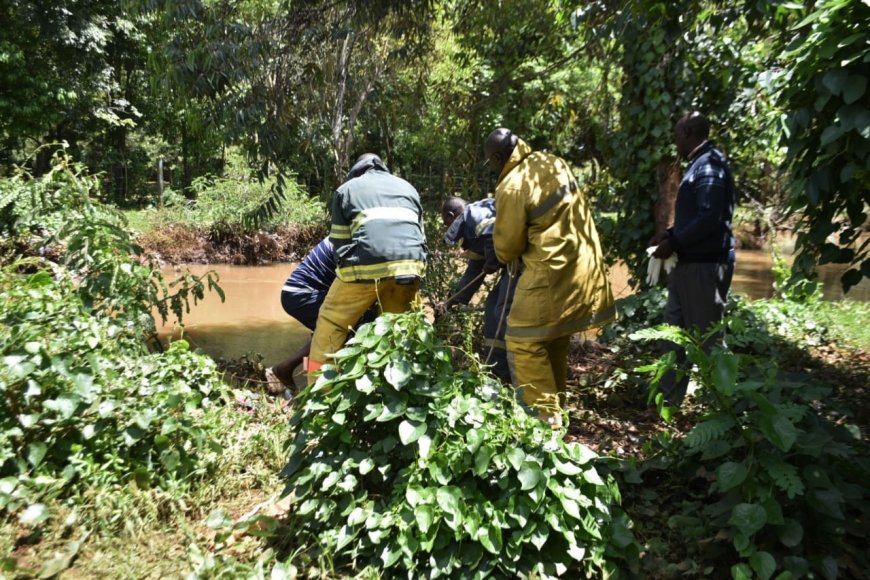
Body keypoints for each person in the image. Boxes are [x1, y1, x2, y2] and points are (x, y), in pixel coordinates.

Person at [484, 128, 615, 426]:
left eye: (491, 163)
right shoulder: (553, 162)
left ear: (499, 157)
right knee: (552, 339)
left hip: (550, 273)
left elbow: (507, 248)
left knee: (522, 340)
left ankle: (543, 424)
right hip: (583, 268)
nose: (492, 169)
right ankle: (559, 414)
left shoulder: (512, 185)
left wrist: (498, 250)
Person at [306, 153, 427, 383]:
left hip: (365, 268)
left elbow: (340, 244)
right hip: (410, 268)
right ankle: (404, 389)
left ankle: (317, 397)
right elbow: (419, 239)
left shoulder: (346, 190)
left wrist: (357, 280)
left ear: (356, 172)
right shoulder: (409, 188)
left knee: (332, 322)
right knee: (399, 330)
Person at [648, 112, 736, 406]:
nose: (675, 142)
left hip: (705, 266)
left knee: (708, 341)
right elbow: (699, 215)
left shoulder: (710, 165)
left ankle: (727, 411)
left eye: (676, 136)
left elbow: (710, 216)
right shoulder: (700, 164)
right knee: (673, 334)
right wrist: (668, 235)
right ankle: (666, 403)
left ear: (686, 133)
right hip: (688, 264)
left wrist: (675, 241)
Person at [265, 237, 375, 394]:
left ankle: (293, 374)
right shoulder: (355, 243)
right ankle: (316, 388)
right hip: (303, 293)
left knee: (326, 334)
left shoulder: (354, 233)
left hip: (299, 292)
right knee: (351, 327)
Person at [435, 196, 517, 381]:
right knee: (493, 305)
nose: (447, 227)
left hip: (524, 266)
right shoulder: (473, 232)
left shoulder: (475, 215)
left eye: (445, 223)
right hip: (513, 269)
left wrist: (491, 260)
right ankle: (496, 371)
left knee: (501, 311)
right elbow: (473, 272)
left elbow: (491, 232)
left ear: (450, 216)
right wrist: (450, 301)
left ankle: (505, 374)